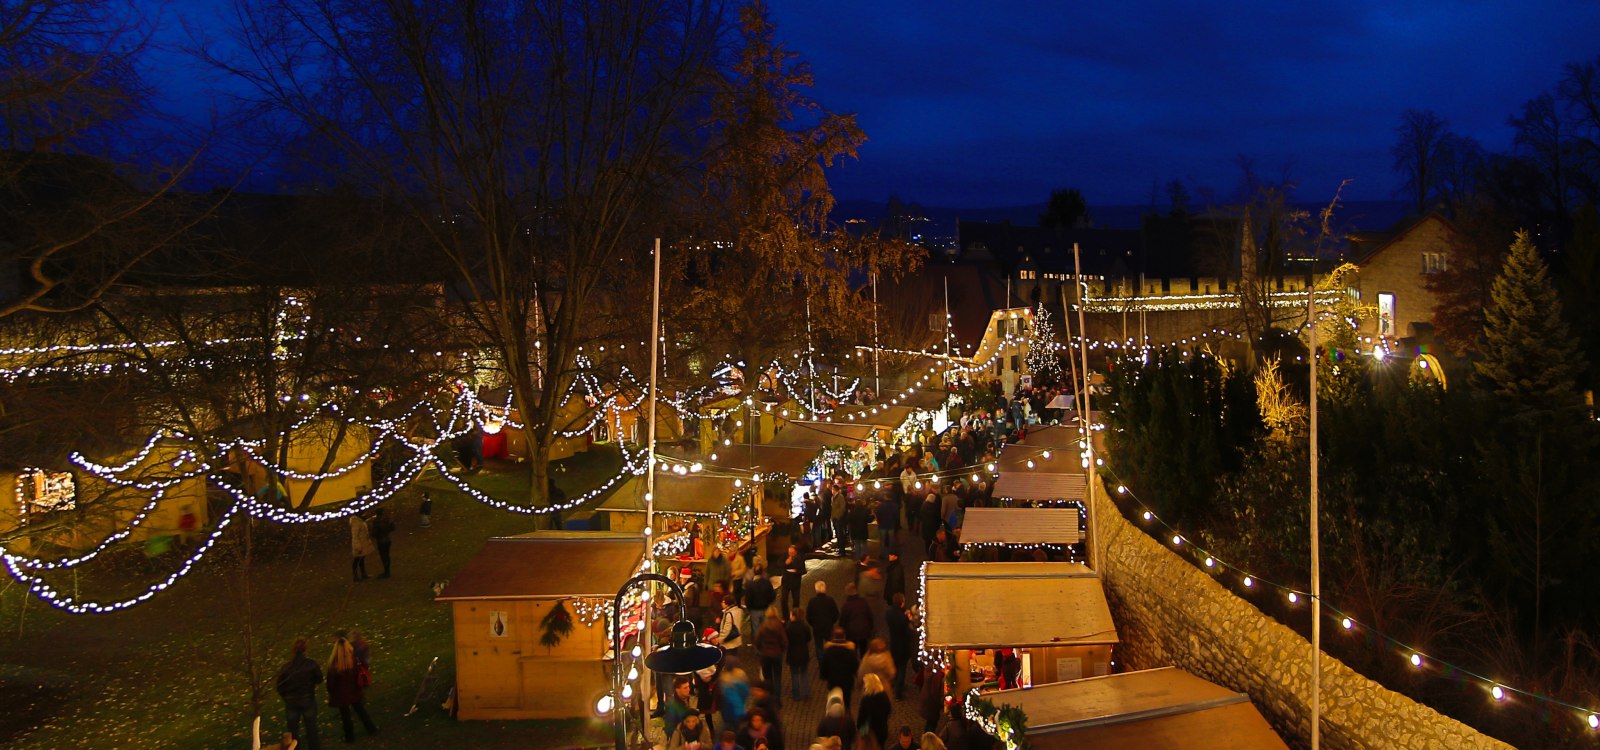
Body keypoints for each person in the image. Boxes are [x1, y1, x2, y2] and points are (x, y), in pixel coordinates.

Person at [326, 636, 378, 742]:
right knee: (361, 711)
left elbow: (330, 684)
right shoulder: (354, 661)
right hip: (354, 691)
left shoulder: (334, 666)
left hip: (341, 695)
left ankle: (350, 738)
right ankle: (372, 730)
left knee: (345, 716)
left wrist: (332, 692)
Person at [274, 639, 323, 750]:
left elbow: (280, 686)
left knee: (292, 729)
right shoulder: (311, 664)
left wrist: (286, 696)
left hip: (291, 701)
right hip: (307, 699)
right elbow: (319, 679)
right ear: (305, 649)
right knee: (311, 728)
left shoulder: (286, 667)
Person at [820, 627, 860, 704]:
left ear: (833, 637)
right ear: (844, 636)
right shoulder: (850, 651)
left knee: (834, 701)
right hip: (847, 681)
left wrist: (824, 676)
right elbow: (855, 666)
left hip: (833, 680)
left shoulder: (828, 651)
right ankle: (847, 712)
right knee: (846, 700)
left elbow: (824, 666)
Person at [885, 595, 914, 699]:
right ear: (901, 602)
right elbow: (910, 629)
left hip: (894, 644)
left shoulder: (889, 612)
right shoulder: (903, 617)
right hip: (903, 646)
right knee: (902, 668)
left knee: (896, 665)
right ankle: (898, 692)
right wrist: (908, 617)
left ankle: (894, 683)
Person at [754, 605, 787, 690]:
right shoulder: (779, 625)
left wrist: (761, 649)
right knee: (777, 677)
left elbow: (757, 640)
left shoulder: (763, 625)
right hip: (777, 654)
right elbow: (784, 641)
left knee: (767, 677)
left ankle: (769, 693)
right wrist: (781, 650)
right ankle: (777, 696)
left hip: (765, 654)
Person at [806, 581, 839, 664]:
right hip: (828, 627)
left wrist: (813, 624)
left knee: (819, 647)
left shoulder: (812, 601)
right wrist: (831, 622)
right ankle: (830, 662)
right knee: (829, 645)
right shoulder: (830, 600)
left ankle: (822, 664)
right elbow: (836, 614)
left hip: (817, 628)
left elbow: (808, 616)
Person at [784, 608, 813, 701]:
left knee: (794, 674)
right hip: (803, 652)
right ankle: (806, 693)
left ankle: (796, 694)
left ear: (794, 616)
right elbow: (809, 638)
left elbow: (786, 640)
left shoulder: (789, 627)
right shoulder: (805, 626)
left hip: (793, 653)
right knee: (804, 673)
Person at [838, 584, 874, 658]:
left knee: (853, 651)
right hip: (864, 631)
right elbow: (870, 616)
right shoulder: (863, 602)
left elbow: (842, 620)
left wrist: (842, 630)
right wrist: (870, 628)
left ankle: (855, 665)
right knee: (863, 650)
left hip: (851, 633)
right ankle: (863, 663)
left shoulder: (846, 605)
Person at [857, 673, 892, 750]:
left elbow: (862, 716)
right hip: (882, 729)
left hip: (871, 731)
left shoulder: (866, 699)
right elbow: (889, 710)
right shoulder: (884, 695)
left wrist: (859, 727)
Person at [856, 638, 895, 703]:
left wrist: (859, 684)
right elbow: (892, 673)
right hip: (883, 687)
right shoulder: (887, 658)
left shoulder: (867, 659)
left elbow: (861, 673)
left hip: (869, 687)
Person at [367, 509, 396, 579]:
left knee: (383, 556)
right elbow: (393, 528)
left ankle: (386, 572)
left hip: (381, 541)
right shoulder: (387, 520)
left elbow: (374, 533)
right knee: (387, 555)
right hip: (388, 540)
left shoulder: (376, 522)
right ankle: (387, 570)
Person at [917, 665, 944, 734]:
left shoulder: (929, 669)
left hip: (926, 699)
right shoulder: (937, 674)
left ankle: (926, 736)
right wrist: (941, 704)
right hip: (931, 704)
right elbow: (935, 691)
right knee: (932, 723)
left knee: (929, 722)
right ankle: (928, 740)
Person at [780, 546, 806, 616]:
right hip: (786, 582)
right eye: (789, 552)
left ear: (796, 552)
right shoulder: (785, 555)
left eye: (792, 553)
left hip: (795, 583)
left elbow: (804, 571)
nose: (790, 554)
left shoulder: (800, 558)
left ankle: (795, 615)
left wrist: (796, 571)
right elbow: (779, 564)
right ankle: (785, 616)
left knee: (796, 600)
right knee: (783, 600)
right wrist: (786, 563)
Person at [349, 514, 373, 582]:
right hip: (360, 545)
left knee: (361, 559)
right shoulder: (356, 523)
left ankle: (363, 574)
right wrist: (358, 546)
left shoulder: (360, 521)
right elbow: (355, 536)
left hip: (362, 543)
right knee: (357, 560)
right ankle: (355, 576)